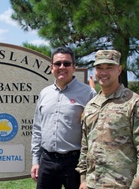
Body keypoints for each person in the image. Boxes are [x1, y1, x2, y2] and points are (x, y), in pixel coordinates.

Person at [31, 46, 97, 189]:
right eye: (58, 64)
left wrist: (89, 170)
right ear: (51, 67)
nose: (62, 67)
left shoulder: (88, 94)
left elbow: (94, 133)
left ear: (74, 67)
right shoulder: (44, 93)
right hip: (47, 161)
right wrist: (35, 161)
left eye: (67, 63)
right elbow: (37, 129)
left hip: (75, 162)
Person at [76, 50, 139, 189]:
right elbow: (85, 146)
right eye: (99, 67)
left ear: (119, 70)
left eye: (109, 67)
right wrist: (83, 179)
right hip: (92, 184)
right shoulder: (91, 105)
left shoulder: (133, 103)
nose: (103, 72)